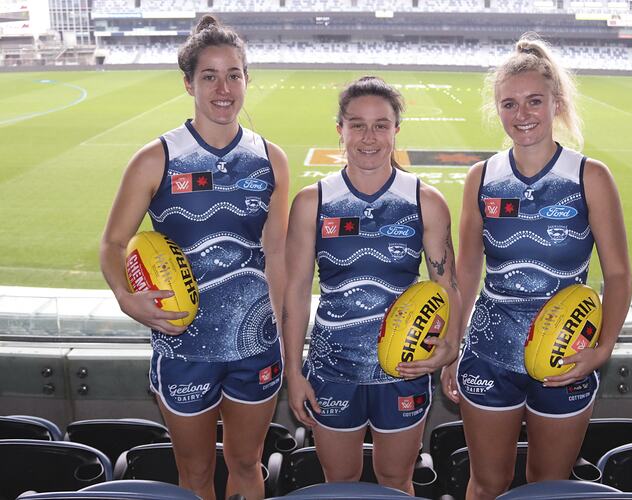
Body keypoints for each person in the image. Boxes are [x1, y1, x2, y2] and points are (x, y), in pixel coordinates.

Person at [99, 15, 289, 500]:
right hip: (183, 346)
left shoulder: (271, 159)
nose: (223, 88)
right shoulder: (156, 157)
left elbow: (278, 253)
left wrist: (286, 335)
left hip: (255, 346)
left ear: (247, 79)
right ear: (189, 83)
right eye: (210, 76)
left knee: (247, 464)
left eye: (234, 75)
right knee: (196, 473)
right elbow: (113, 244)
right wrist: (126, 297)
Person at [442, 33, 632, 499]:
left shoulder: (591, 176)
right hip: (488, 353)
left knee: (548, 488)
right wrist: (451, 342)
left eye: (533, 102)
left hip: (565, 356)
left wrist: (602, 348)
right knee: (487, 483)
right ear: (497, 109)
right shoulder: (482, 178)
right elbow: (466, 272)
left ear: (555, 103)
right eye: (509, 104)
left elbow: (620, 275)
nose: (521, 115)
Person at [283, 76, 461, 494]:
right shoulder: (313, 202)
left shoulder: (425, 200)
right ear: (339, 130)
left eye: (381, 125)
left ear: (396, 130)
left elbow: (447, 283)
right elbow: (295, 294)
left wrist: (450, 348)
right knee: (340, 483)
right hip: (332, 368)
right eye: (357, 124)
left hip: (405, 368)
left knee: (396, 481)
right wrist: (294, 370)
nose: (369, 137)